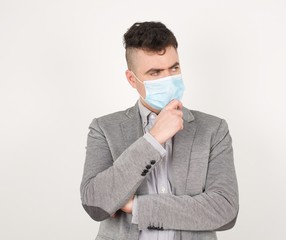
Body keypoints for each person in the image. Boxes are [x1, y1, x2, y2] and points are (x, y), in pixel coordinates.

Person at [80, 21, 239, 240]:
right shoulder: (104, 128)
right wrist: (153, 140)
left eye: (174, 68)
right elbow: (96, 204)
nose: (168, 79)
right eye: (155, 73)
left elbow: (225, 211)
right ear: (131, 79)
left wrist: (136, 206)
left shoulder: (214, 129)